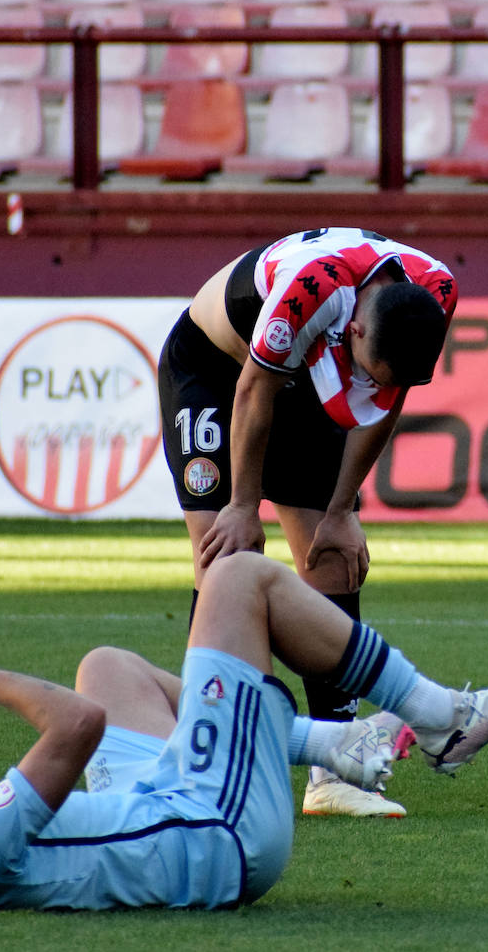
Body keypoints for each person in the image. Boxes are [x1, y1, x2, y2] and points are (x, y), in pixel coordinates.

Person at [0, 552, 488, 910]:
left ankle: (328, 746)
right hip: (213, 829)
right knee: (238, 580)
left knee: (107, 662)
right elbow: (77, 727)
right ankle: (444, 719)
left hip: (152, 804)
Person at [158, 227, 456, 818]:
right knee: (224, 558)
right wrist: (243, 507)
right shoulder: (311, 289)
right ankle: (205, 759)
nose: (382, 384)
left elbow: (385, 400)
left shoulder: (435, 291)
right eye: (375, 368)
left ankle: (333, 770)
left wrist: (343, 510)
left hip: (303, 373)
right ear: (359, 329)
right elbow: (252, 390)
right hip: (220, 372)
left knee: (333, 559)